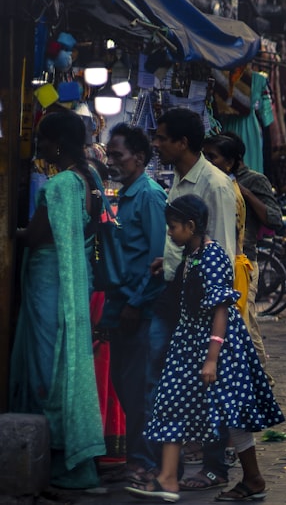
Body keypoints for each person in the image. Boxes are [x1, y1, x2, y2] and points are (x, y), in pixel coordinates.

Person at [125, 196, 284, 503]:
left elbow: (221, 309)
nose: (169, 232)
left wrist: (212, 358)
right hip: (190, 343)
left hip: (216, 344)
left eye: (173, 227)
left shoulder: (211, 256)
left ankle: (253, 479)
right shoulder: (194, 254)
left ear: (190, 226)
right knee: (171, 400)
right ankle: (168, 478)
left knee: (232, 413)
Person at [10, 110, 105, 489]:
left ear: (59, 143)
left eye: (44, 140)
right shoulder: (90, 178)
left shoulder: (61, 184)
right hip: (74, 279)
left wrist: (10, 231)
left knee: (47, 367)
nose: (40, 146)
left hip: (51, 284)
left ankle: (56, 458)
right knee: (65, 360)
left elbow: (35, 236)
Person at [149, 108, 238, 492]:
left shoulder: (214, 185)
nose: (157, 144)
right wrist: (167, 261)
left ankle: (215, 466)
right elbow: (186, 244)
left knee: (208, 383)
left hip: (200, 308)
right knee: (171, 380)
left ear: (182, 143)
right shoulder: (182, 180)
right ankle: (170, 468)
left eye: (162, 138)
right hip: (177, 296)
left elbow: (220, 252)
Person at [102, 123, 168, 485]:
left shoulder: (150, 196)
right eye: (109, 155)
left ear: (139, 158)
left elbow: (160, 260)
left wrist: (136, 304)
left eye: (118, 155)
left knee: (141, 388)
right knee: (126, 385)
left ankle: (144, 463)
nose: (112, 161)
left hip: (141, 310)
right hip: (123, 306)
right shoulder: (125, 195)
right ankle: (140, 459)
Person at [202, 132, 283, 372]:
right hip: (218, 259)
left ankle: (258, 377)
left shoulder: (254, 180)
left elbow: (275, 218)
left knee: (243, 321)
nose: (208, 161)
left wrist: (244, 193)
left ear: (231, 160)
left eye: (213, 157)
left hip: (242, 261)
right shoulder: (211, 179)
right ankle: (258, 375)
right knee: (243, 321)